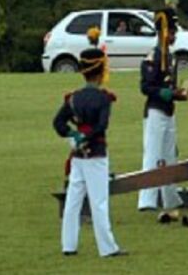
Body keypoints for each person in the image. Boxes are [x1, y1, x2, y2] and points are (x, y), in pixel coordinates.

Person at [52, 48, 126, 257]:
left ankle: (69, 245)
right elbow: (102, 126)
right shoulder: (103, 98)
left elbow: (58, 123)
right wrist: (87, 138)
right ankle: (107, 247)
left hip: (78, 155)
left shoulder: (73, 98)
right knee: (99, 202)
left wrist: (74, 136)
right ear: (101, 70)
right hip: (96, 154)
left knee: (73, 201)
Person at [137, 6, 187, 221]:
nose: (174, 35)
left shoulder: (170, 56)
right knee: (152, 155)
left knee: (169, 157)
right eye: (172, 31)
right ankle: (146, 199)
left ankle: (170, 198)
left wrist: (177, 94)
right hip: (156, 110)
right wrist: (167, 93)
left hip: (168, 110)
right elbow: (146, 87)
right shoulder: (153, 56)